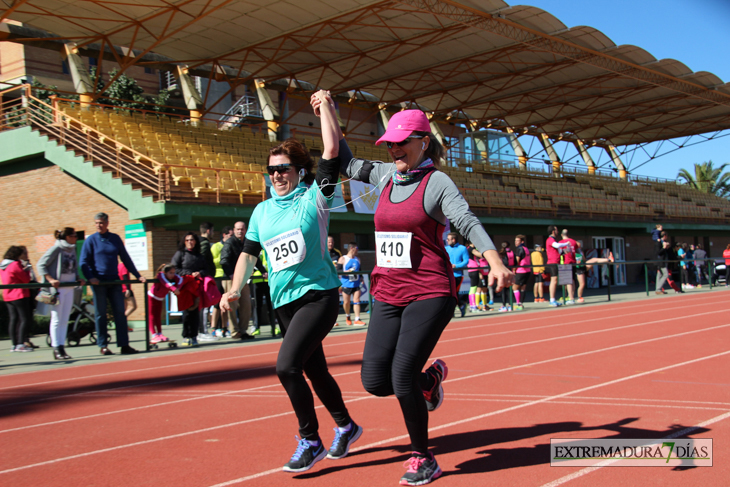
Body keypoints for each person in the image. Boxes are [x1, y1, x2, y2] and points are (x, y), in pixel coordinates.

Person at [311, 94, 513, 485]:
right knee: (375, 381)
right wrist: (329, 112)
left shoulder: (437, 182)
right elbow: (346, 161)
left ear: (424, 141)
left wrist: (495, 260)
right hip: (388, 290)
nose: (394, 148)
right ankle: (429, 382)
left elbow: (467, 222)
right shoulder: (388, 176)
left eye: (402, 142)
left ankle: (423, 457)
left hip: (430, 290)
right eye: (390, 143)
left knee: (401, 375)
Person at [221, 91, 362, 474]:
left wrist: (327, 111)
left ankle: (310, 439)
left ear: (300, 171)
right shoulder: (262, 211)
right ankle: (347, 426)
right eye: (272, 170)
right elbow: (249, 255)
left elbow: (332, 150)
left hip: (318, 296)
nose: (277, 176)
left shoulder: (315, 198)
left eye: (283, 168)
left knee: (287, 367)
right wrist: (235, 288)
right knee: (315, 371)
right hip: (284, 302)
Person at [79, 212, 145, 355]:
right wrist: (91, 277)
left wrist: (138, 275)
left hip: (114, 281)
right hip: (99, 283)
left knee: (120, 313)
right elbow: (83, 262)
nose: (99, 225)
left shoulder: (115, 238)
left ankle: (124, 345)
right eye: (96, 223)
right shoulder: (90, 240)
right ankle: (103, 345)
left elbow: (126, 258)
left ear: (107, 223)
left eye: (101, 223)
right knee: (101, 314)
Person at [37, 228, 85, 359]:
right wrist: (51, 279)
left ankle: (62, 347)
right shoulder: (56, 249)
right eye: (74, 236)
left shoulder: (72, 249)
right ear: (67, 237)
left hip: (69, 288)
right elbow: (41, 265)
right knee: (57, 319)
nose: (76, 238)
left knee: (65, 319)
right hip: (58, 290)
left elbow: (73, 268)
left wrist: (78, 277)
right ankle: (56, 348)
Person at [172, 232, 213, 346]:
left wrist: (199, 273)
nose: (190, 242)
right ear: (184, 242)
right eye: (187, 240)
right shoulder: (180, 254)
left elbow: (206, 269)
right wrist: (189, 274)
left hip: (197, 287)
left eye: (192, 240)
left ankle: (194, 336)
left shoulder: (199, 256)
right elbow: (174, 269)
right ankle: (186, 336)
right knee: (187, 313)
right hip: (185, 288)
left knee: (196, 312)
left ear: (195, 241)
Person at [220, 221, 253, 340]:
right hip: (231, 279)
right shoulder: (229, 242)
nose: (240, 231)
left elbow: (253, 257)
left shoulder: (247, 242)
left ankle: (243, 331)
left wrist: (263, 271)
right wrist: (231, 274)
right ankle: (234, 331)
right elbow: (224, 260)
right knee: (231, 306)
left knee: (246, 305)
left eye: (242, 229)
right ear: (234, 230)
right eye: (238, 229)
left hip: (243, 279)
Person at [1, 246, 33, 352]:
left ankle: (14, 344)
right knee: (24, 319)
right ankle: (20, 344)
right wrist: (27, 269)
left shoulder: (3, 265)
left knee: (13, 319)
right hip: (19, 294)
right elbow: (26, 279)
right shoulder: (15, 264)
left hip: (8, 295)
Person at [147, 263, 182, 343]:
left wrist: (178, 288)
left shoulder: (174, 276)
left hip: (160, 298)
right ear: (165, 272)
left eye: (174, 273)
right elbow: (165, 283)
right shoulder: (161, 275)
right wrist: (174, 288)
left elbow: (180, 279)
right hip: (152, 297)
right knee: (152, 316)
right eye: (170, 273)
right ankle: (154, 335)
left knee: (158, 316)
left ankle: (160, 334)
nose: (172, 275)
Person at [210, 225, 232, 336]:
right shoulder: (216, 246)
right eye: (230, 235)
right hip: (218, 276)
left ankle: (224, 328)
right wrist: (224, 257)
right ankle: (213, 328)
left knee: (225, 303)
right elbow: (213, 260)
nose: (232, 237)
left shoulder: (232, 245)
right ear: (224, 235)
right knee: (216, 304)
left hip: (227, 277)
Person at [338, 243, 365, 325]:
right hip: (346, 284)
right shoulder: (343, 258)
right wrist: (346, 272)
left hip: (356, 284)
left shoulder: (358, 259)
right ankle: (348, 316)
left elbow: (360, 270)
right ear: (352, 248)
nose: (358, 250)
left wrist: (361, 278)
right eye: (357, 248)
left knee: (357, 300)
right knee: (346, 302)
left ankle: (357, 319)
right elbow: (338, 271)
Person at [445, 232, 469, 317]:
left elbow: (466, 261)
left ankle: (461, 305)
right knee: (449, 293)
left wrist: (456, 266)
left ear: (453, 240)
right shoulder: (446, 248)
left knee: (454, 293)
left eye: (448, 239)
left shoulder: (462, 248)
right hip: (447, 275)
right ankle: (455, 308)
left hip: (457, 275)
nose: (447, 241)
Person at [545, 225, 569, 307]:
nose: (558, 232)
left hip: (556, 262)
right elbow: (557, 245)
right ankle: (552, 300)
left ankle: (553, 299)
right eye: (556, 230)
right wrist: (566, 243)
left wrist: (567, 250)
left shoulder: (554, 240)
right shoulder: (550, 240)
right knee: (554, 280)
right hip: (552, 262)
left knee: (555, 281)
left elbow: (560, 251)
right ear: (553, 231)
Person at [466, 242, 489, 312]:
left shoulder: (471, 249)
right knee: (473, 288)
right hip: (473, 269)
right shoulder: (470, 249)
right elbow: (478, 254)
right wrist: (487, 254)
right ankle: (473, 306)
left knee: (474, 287)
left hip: (474, 269)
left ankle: (473, 306)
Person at [511, 234, 531, 311]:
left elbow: (517, 261)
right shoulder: (526, 248)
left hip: (521, 271)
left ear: (522, 241)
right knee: (523, 287)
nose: (515, 242)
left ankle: (518, 303)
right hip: (527, 270)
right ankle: (521, 303)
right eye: (515, 240)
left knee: (515, 287)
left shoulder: (520, 249)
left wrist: (514, 270)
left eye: (517, 241)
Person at [560, 229, 578, 305]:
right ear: (568, 234)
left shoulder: (560, 243)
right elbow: (577, 250)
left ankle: (570, 297)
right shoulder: (574, 241)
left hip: (566, 263)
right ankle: (572, 296)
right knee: (572, 280)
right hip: (573, 262)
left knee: (567, 281)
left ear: (561, 235)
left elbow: (559, 252)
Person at [117, 262, 137, 332]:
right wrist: (128, 288)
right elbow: (124, 276)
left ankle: (124, 326)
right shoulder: (124, 266)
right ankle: (121, 321)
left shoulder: (118, 266)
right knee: (133, 306)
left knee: (124, 309)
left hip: (120, 289)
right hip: (125, 289)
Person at [496, 242, 514, 312]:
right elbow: (515, 262)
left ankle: (504, 305)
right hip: (510, 272)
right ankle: (510, 305)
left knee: (503, 290)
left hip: (503, 273)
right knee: (509, 290)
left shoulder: (500, 254)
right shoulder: (512, 253)